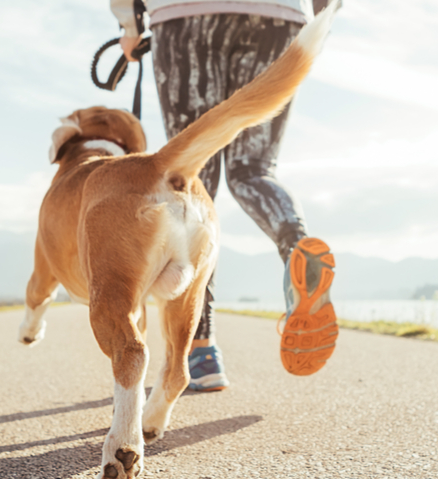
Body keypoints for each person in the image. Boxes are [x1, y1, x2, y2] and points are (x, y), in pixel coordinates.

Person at [110, 0, 339, 390]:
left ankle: (200, 350)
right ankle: (297, 246)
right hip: (279, 15)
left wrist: (129, 23)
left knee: (191, 179)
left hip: (185, 16)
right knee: (254, 171)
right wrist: (323, 14)